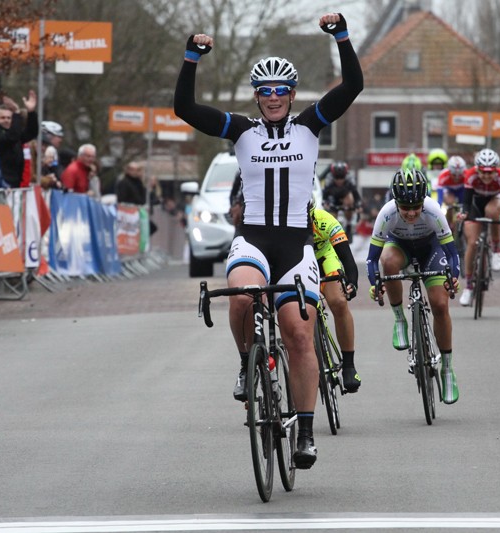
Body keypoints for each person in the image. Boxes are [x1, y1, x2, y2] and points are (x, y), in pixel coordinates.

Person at [174, 12, 363, 469]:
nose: (274, 98)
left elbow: (352, 85)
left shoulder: (310, 126)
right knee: (240, 297)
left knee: (299, 334)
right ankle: (246, 362)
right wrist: (191, 58)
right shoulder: (241, 130)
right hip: (253, 240)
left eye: (281, 91)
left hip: (296, 245)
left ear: (292, 95)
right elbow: (185, 108)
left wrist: (340, 35)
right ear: (256, 96)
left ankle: (305, 430)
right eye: (265, 91)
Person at [366, 168, 460, 404]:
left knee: (439, 304)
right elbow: (371, 259)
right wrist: (375, 284)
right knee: (388, 262)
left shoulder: (433, 210)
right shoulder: (387, 213)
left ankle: (447, 369)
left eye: (416, 207)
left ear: (424, 200)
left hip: (431, 249)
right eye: (405, 207)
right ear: (395, 202)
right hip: (401, 249)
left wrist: (454, 276)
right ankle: (400, 319)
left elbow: (452, 253)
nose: (410, 213)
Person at [310, 204, 361, 392]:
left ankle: (348, 365)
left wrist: (352, 282)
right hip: (298, 261)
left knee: (338, 302)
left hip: (324, 258)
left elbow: (347, 258)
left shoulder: (325, 220)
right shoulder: (285, 223)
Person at [457, 148, 500, 306]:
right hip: (474, 204)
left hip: (494, 201)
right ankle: (468, 287)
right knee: (472, 243)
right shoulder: (470, 175)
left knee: (492, 211)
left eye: (490, 173)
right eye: (483, 172)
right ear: (477, 169)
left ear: (497, 170)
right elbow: (466, 202)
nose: (487, 176)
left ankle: (496, 250)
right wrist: (464, 214)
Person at [0, 90, 39, 187]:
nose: (6, 120)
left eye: (9, 118)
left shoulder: (14, 133)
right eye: (2, 118)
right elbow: (11, 138)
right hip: (2, 184)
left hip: (16, 183)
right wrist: (16, 112)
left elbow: (31, 133)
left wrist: (31, 112)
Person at [321, 160, 361, 240]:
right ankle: (332, 230)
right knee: (332, 215)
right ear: (333, 175)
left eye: (341, 177)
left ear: (345, 175)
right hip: (333, 199)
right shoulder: (329, 179)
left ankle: (348, 225)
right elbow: (325, 195)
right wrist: (326, 203)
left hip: (345, 199)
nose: (339, 180)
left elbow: (355, 194)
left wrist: (357, 206)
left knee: (349, 198)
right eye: (337, 177)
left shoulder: (350, 179)